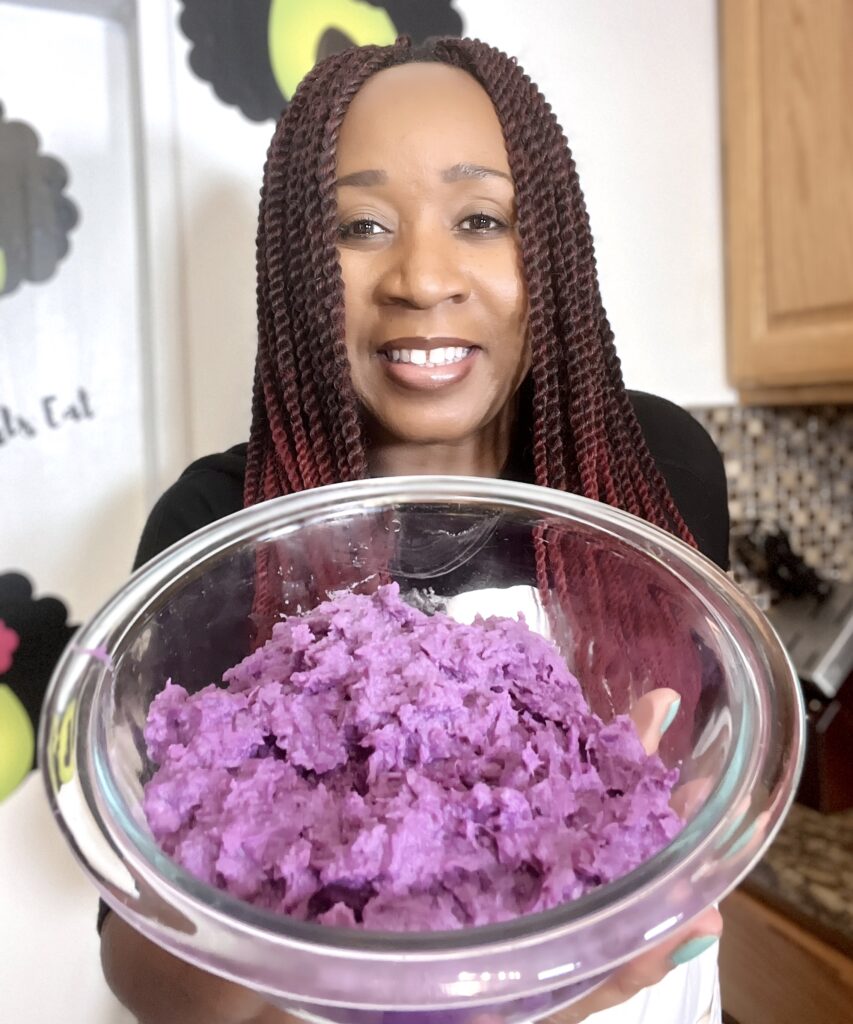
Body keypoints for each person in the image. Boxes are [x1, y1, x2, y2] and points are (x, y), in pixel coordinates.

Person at [99, 36, 728, 1024]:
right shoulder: (217, 530)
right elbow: (142, 969)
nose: (423, 277)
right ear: (296, 268)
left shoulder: (655, 468)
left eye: (480, 218)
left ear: (549, 248)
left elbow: (706, 768)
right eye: (360, 226)